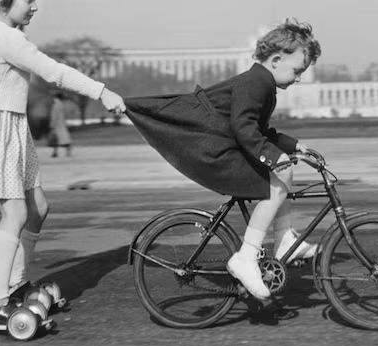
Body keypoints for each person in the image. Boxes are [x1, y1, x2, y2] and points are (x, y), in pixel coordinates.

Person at [0, 0, 126, 325]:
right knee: (14, 214)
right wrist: (102, 91)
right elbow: (54, 72)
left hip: (11, 126)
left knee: (39, 208)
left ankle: (15, 284)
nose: (34, 6)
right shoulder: (4, 36)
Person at [124, 19, 321, 301]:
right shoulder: (257, 83)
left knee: (283, 173)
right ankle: (248, 255)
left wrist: (294, 146)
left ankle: (283, 237)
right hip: (214, 152)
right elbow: (245, 129)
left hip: (220, 148)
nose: (299, 78)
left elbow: (260, 131)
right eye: (298, 70)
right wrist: (275, 157)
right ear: (277, 60)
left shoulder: (262, 82)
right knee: (279, 179)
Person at [48, 92, 72, 157]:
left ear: (56, 98)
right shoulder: (62, 105)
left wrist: (52, 124)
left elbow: (54, 116)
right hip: (62, 124)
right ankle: (67, 152)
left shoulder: (56, 105)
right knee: (64, 139)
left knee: (55, 139)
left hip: (57, 125)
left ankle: (55, 152)